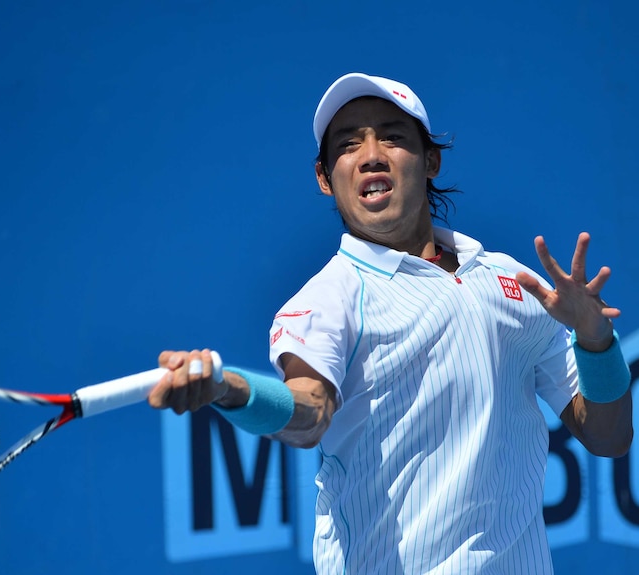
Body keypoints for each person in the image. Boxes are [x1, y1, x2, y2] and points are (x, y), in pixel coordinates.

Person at [148, 72, 633, 574]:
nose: (372, 154)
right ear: (324, 178)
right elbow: (309, 413)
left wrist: (597, 341)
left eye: (393, 136)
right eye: (349, 143)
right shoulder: (329, 297)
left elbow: (609, 437)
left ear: (431, 161)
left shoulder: (515, 282)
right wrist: (228, 389)